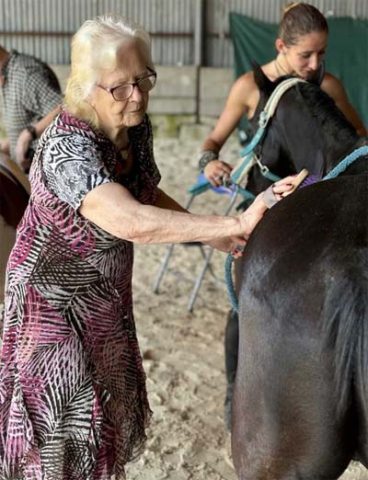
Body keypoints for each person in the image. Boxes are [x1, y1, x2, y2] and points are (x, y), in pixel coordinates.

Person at [0, 15, 297, 479]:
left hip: (105, 299)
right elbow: (127, 218)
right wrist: (235, 218)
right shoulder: (65, 145)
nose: (137, 95)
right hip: (52, 306)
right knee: (65, 434)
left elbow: (145, 193)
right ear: (86, 87)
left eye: (144, 79)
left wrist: (220, 235)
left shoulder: (134, 128)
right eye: (121, 87)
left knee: (105, 422)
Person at [198, 1, 367, 430]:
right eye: (304, 55)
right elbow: (214, 139)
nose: (314, 65)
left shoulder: (327, 85)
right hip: (261, 202)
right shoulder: (250, 87)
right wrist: (209, 162)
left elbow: (358, 136)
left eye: (321, 54)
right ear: (280, 46)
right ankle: (234, 394)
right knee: (241, 303)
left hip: (318, 201)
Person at [0, 45, 63, 172]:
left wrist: (28, 134)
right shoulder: (7, 76)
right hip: (29, 171)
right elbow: (27, 122)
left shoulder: (26, 75)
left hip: (48, 173)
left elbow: (66, 108)